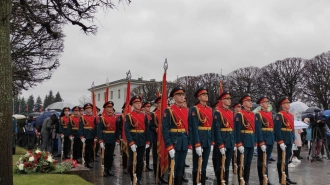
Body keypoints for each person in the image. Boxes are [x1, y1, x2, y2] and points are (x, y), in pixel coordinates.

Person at [162, 86, 190, 185]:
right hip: (174, 142)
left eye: (183, 95)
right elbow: (165, 129)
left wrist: (189, 143)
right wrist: (169, 146)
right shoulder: (169, 110)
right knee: (173, 167)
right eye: (179, 95)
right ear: (174, 97)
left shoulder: (186, 110)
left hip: (184, 142)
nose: (182, 97)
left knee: (180, 168)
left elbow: (188, 128)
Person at [235, 93, 264, 185]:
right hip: (243, 141)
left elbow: (255, 129)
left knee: (248, 163)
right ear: (243, 103)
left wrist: (256, 142)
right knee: (242, 163)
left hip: (251, 141)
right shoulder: (239, 115)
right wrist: (239, 143)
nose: (250, 102)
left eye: (251, 101)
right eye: (248, 101)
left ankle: (246, 181)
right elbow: (236, 130)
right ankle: (241, 181)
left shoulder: (253, 115)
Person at [190, 87, 214, 185]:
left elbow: (211, 126)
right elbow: (194, 127)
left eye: (206, 94)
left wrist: (212, 141)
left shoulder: (209, 109)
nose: (206, 96)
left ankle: (202, 182)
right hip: (199, 138)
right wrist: (197, 143)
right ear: (199, 97)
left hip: (207, 138)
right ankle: (196, 182)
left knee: (204, 164)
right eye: (204, 95)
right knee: (196, 164)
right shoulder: (195, 109)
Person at [125, 95, 150, 185]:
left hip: (142, 140)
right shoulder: (129, 116)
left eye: (139, 103)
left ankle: (138, 178)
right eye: (136, 103)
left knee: (139, 161)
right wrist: (131, 142)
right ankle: (133, 178)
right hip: (133, 140)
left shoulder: (144, 116)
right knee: (132, 161)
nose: (139, 104)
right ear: (132, 105)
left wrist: (147, 141)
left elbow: (147, 129)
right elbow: (127, 130)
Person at [213, 91, 235, 185]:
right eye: (227, 99)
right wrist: (220, 144)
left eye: (230, 98)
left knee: (227, 165)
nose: (229, 100)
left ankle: (224, 182)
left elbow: (233, 128)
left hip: (230, 140)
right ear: (222, 100)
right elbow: (216, 129)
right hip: (222, 140)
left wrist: (234, 142)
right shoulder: (218, 113)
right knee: (220, 164)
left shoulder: (231, 112)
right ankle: (219, 182)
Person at [274, 96, 297, 185]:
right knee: (281, 159)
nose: (288, 104)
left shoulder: (290, 115)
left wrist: (293, 139)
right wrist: (280, 141)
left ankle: (287, 177)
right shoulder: (280, 115)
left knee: (286, 159)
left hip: (289, 138)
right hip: (283, 139)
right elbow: (277, 129)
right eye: (286, 103)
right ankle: (281, 178)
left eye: (288, 103)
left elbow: (292, 128)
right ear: (282, 105)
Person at [255, 95, 274, 185]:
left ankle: (266, 177)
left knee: (266, 160)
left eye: (267, 102)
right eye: (265, 102)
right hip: (263, 139)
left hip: (270, 138)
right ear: (261, 104)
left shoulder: (270, 113)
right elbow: (258, 129)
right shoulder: (258, 114)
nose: (267, 104)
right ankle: (261, 179)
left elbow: (272, 127)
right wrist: (261, 141)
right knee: (261, 160)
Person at [98, 101, 120, 177]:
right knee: (105, 155)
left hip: (113, 138)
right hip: (105, 138)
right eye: (108, 107)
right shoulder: (102, 118)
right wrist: (100, 140)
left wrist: (117, 139)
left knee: (110, 155)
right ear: (105, 108)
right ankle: (104, 169)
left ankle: (109, 169)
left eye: (111, 107)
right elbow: (99, 130)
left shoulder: (115, 118)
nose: (110, 109)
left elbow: (117, 129)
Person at [150, 96, 168, 184]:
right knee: (156, 159)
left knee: (163, 158)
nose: (164, 104)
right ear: (157, 104)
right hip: (156, 139)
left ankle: (162, 176)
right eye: (161, 103)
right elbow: (151, 126)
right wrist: (156, 130)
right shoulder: (154, 114)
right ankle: (157, 176)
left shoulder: (167, 113)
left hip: (165, 139)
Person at [79, 103, 98, 168]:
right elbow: (81, 127)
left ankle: (89, 161)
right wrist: (81, 136)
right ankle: (86, 161)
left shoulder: (94, 117)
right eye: (87, 109)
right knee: (86, 149)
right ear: (85, 110)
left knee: (90, 149)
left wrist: (96, 136)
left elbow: (96, 127)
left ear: (92, 109)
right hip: (85, 134)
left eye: (90, 109)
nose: (88, 110)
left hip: (92, 135)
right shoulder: (82, 117)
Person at [142, 101, 154, 172]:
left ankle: (147, 165)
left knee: (148, 152)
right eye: (147, 106)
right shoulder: (143, 115)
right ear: (144, 107)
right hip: (144, 135)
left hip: (150, 135)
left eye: (149, 107)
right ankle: (143, 164)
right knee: (143, 152)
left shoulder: (152, 115)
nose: (148, 108)